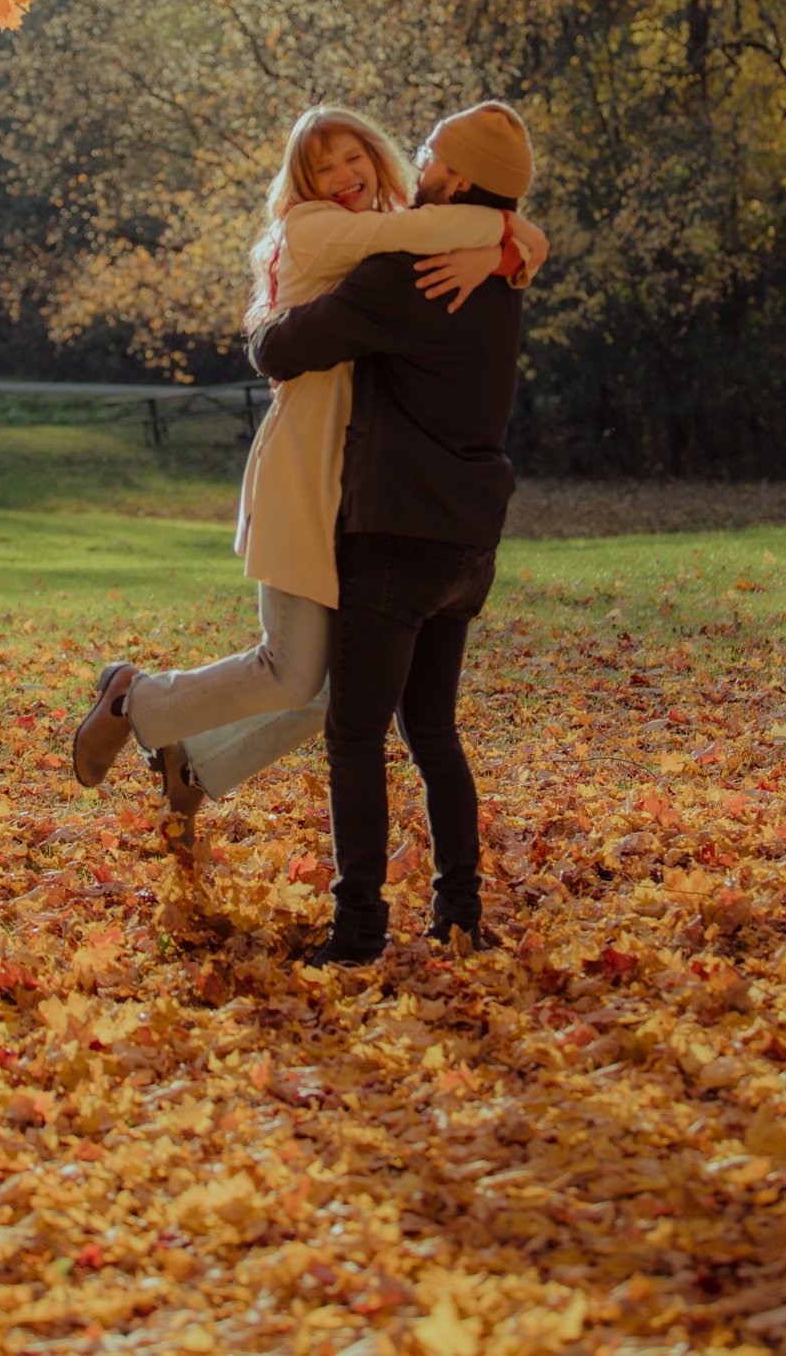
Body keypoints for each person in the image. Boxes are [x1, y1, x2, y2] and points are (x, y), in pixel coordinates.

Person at [71, 105, 546, 847]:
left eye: (357, 156)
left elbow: (439, 229)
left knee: (339, 687)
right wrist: (511, 237)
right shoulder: (322, 228)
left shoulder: (394, 226)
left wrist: (511, 245)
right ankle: (137, 698)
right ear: (304, 181)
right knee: (294, 673)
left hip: (356, 480)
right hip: (305, 461)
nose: (346, 175)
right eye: (326, 166)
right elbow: (432, 233)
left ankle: (192, 764)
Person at [248, 101, 536, 965]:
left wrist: (267, 322)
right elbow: (517, 235)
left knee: (357, 736)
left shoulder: (402, 274)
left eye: (429, 158)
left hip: (395, 537)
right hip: (468, 543)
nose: (416, 169)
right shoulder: (499, 274)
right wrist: (509, 243)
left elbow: (282, 352)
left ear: (458, 181)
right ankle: (458, 909)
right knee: (433, 733)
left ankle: (359, 927)